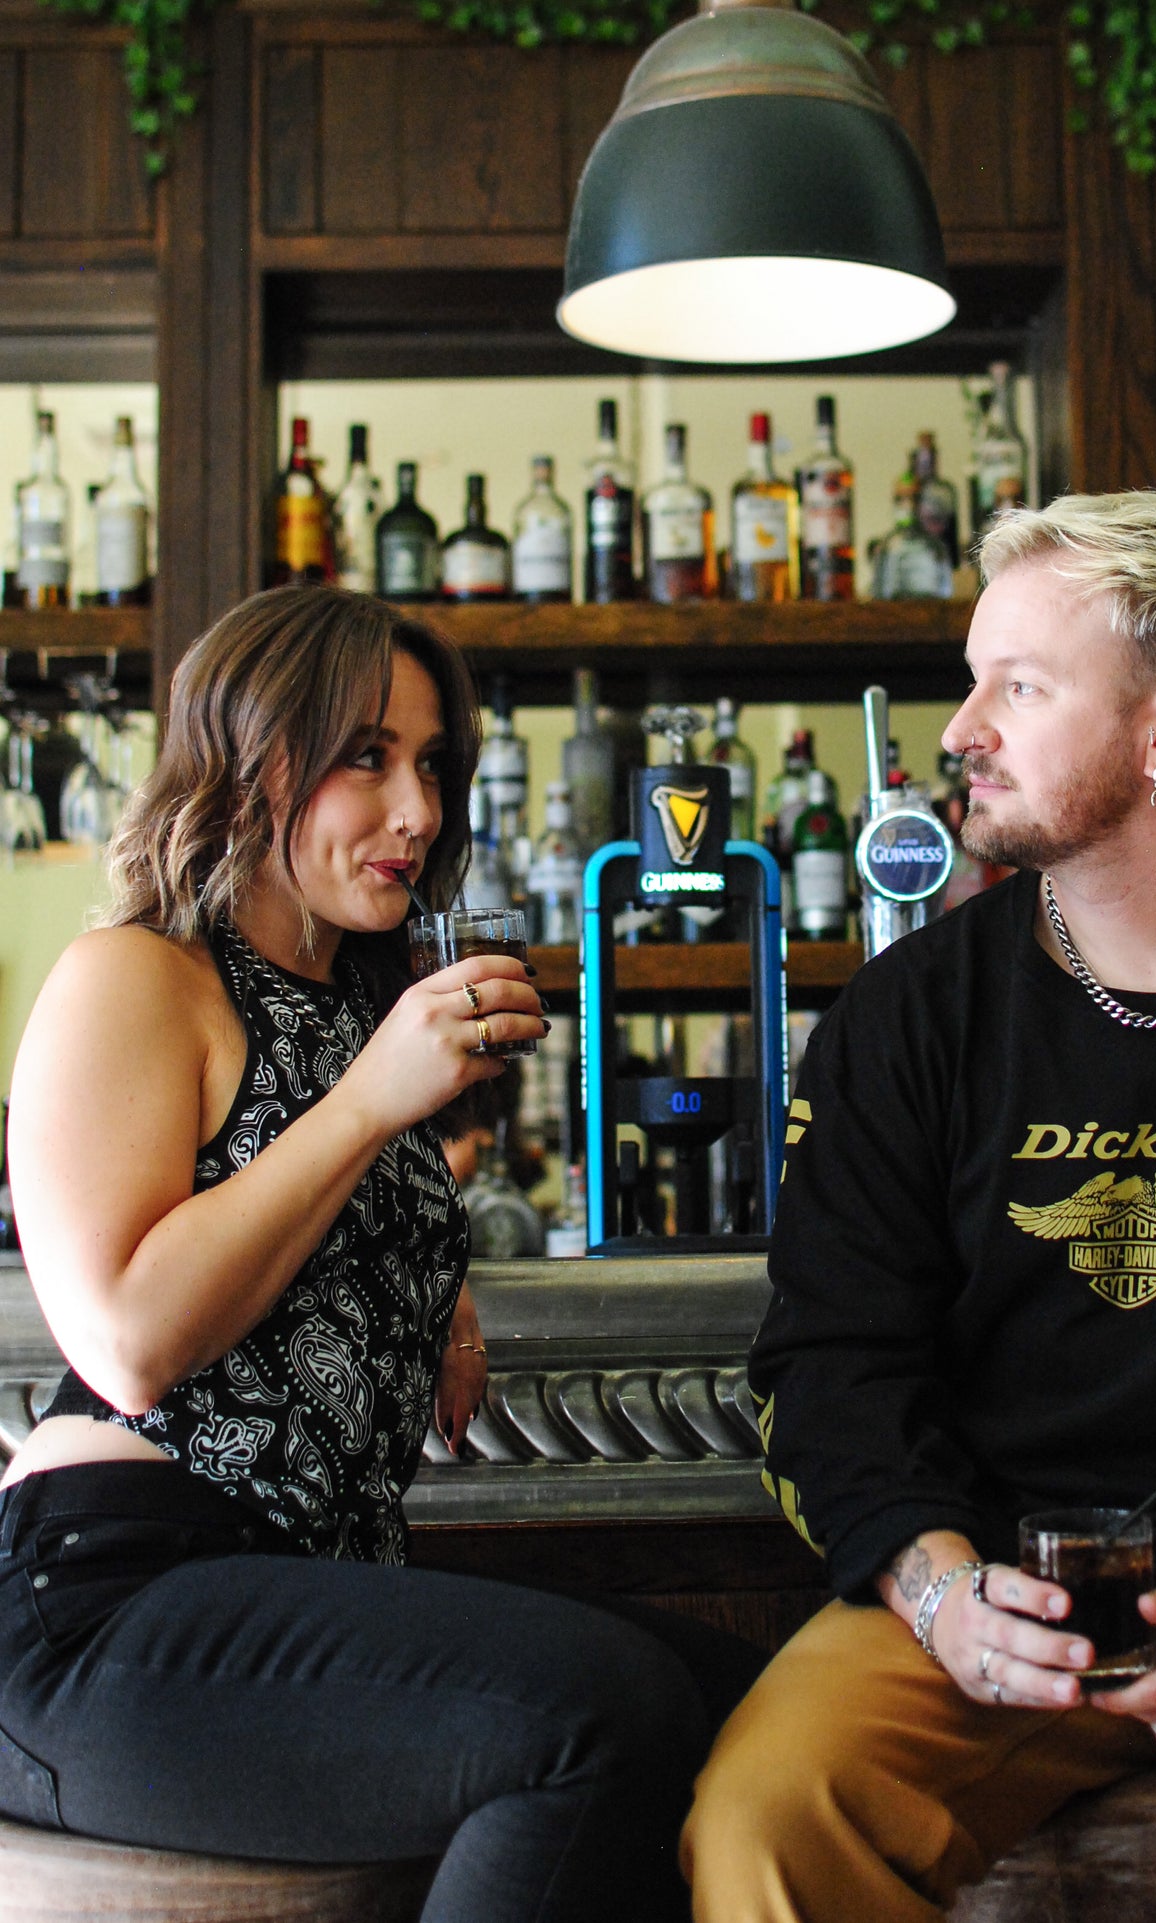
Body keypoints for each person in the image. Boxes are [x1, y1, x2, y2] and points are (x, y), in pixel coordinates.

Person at [683, 491, 1156, 1920]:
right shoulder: (908, 1018)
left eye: (1018, 688)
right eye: (973, 683)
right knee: (767, 1825)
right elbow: (830, 1370)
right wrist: (943, 1598)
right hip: (987, 1616)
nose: (962, 730)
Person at [0, 584, 733, 1923]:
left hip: (300, 1580)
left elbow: (294, 1222)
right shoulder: (139, 975)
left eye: (433, 765)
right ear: (248, 761)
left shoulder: (353, 1004)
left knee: (743, 1698)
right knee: (602, 1711)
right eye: (366, 758)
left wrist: (429, 1291)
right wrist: (369, 1107)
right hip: (105, 1599)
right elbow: (127, 1340)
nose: (420, 811)